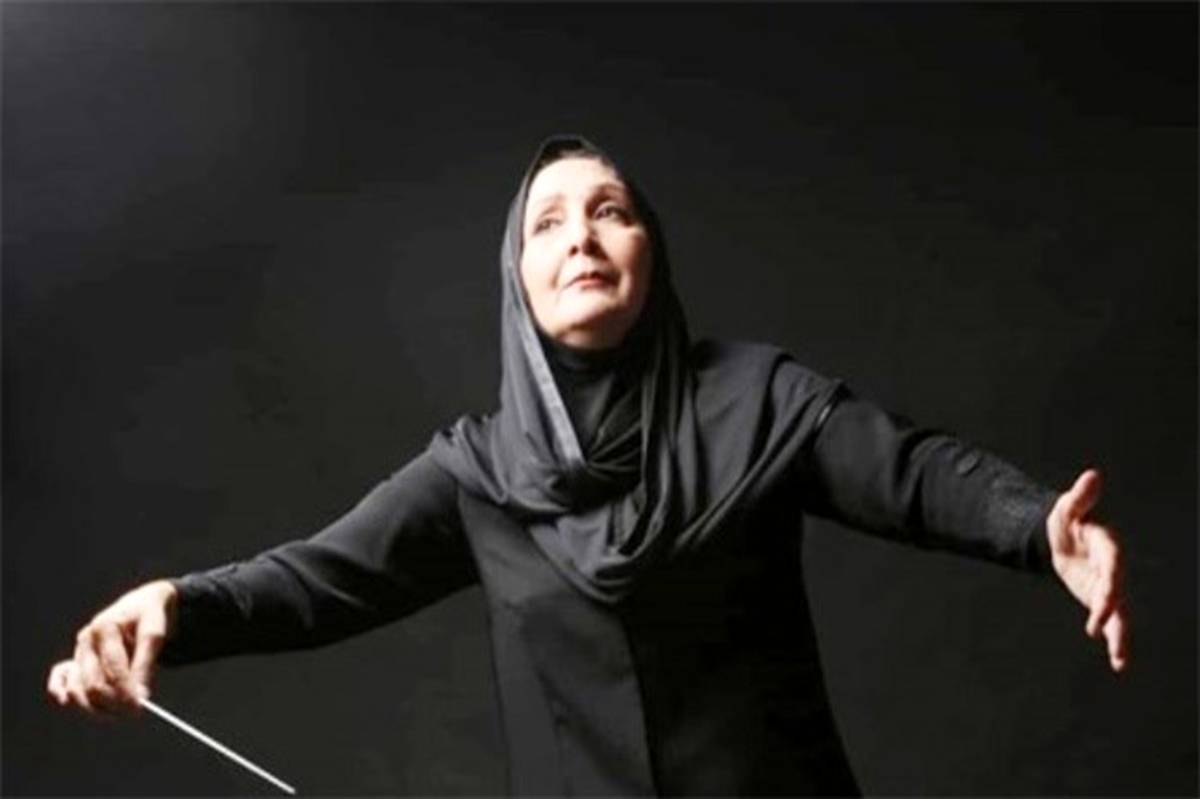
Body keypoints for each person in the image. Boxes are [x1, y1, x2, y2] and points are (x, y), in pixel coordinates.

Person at [47, 135, 1129, 795]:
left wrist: (1040, 526)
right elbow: (315, 579)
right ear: (517, 281)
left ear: (651, 254)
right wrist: (173, 606)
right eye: (548, 224)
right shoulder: (477, 472)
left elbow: (914, 473)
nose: (581, 237)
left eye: (611, 212)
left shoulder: (757, 399)